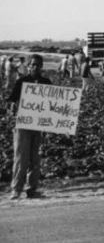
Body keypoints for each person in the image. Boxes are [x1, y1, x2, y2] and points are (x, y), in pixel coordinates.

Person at [6, 54, 52, 200]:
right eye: (33, 64)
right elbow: (11, 101)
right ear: (28, 66)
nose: (35, 67)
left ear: (41, 66)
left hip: (39, 125)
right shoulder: (22, 82)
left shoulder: (47, 82)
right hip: (23, 124)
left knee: (35, 159)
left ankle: (32, 189)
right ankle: (16, 189)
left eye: (38, 64)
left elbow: (52, 105)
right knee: (21, 158)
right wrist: (13, 107)